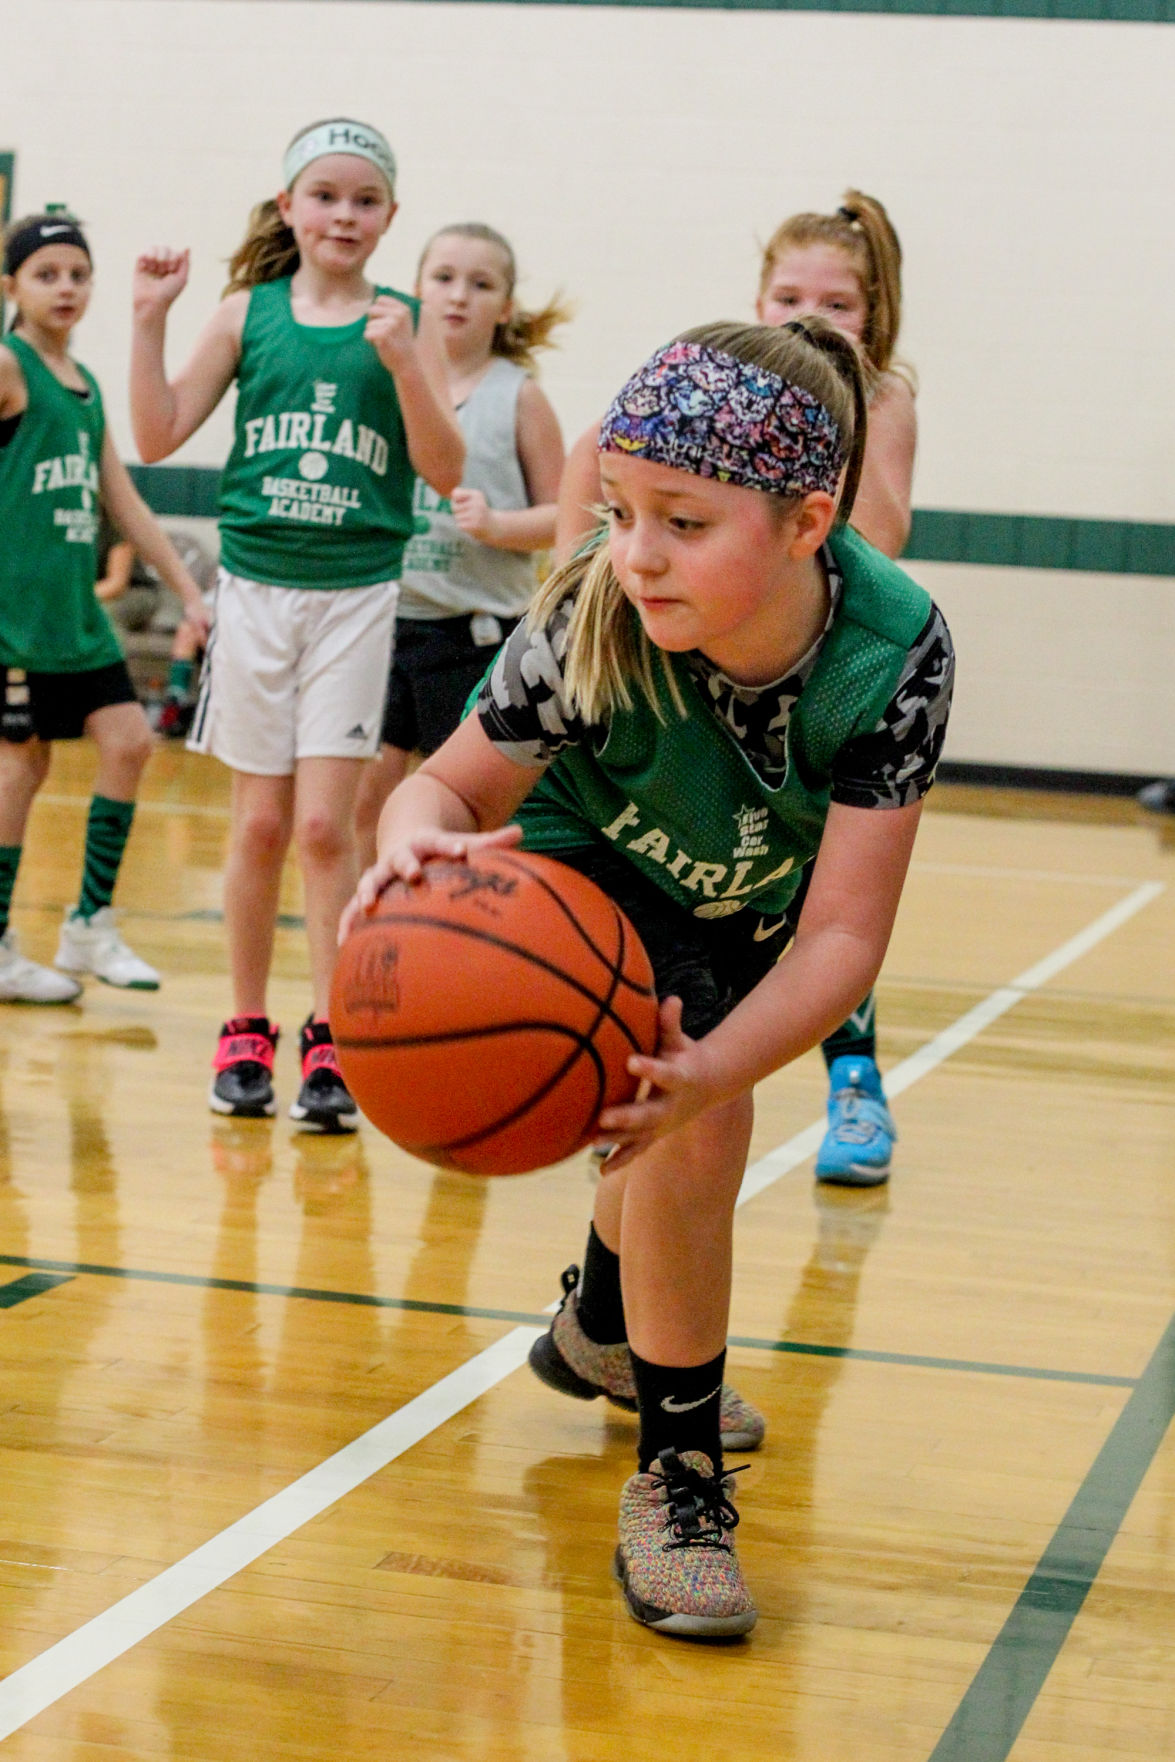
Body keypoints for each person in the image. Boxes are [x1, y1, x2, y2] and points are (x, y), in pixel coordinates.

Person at [346, 320, 954, 1637]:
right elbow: (446, 786)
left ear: (804, 524)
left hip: (740, 897)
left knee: (693, 1085)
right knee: (699, 1120)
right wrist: (411, 846)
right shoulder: (592, 609)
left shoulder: (893, 652)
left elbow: (842, 941)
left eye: (681, 521)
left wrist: (709, 1066)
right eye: (619, 511)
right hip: (568, 867)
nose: (634, 552)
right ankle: (677, 1482)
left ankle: (602, 1326)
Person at [554, 190, 916, 1189]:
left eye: (836, 303)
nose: (809, 314)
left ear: (873, 315)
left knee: (824, 908)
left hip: (823, 678)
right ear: (757, 300)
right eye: (788, 296)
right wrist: (577, 569)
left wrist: (829, 441)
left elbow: (881, 535)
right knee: (701, 916)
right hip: (704, 671)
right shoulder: (709, 407)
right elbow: (596, 448)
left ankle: (853, 1079)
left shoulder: (882, 403)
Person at [129, 117, 464, 1129]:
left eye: (364, 200)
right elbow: (155, 432)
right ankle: (244, 1026)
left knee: (326, 828)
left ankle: (333, 1033)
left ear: (390, 216)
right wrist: (147, 319)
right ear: (289, 206)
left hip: (356, 593)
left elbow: (445, 469)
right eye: (324, 196)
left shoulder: (404, 322)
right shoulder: (247, 314)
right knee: (262, 824)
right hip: (256, 590)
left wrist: (405, 367)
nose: (343, 215)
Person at [0, 211, 210, 1005]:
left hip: (75, 617)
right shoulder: (9, 365)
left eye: (78, 274)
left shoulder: (82, 385)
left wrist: (190, 592)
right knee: (20, 766)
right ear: (11, 286)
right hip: (15, 616)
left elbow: (122, 501)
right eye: (46, 274)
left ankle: (89, 923)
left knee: (128, 742)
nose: (65, 287)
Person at [355, 222, 567, 867]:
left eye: (480, 284)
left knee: (462, 807)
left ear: (505, 307)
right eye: (443, 278)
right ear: (416, 288)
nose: (458, 295)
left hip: (473, 635)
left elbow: (567, 517)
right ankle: (373, 918)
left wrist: (499, 525)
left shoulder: (519, 397)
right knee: (366, 806)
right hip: (385, 622)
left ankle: (456, 925)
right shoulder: (388, 380)